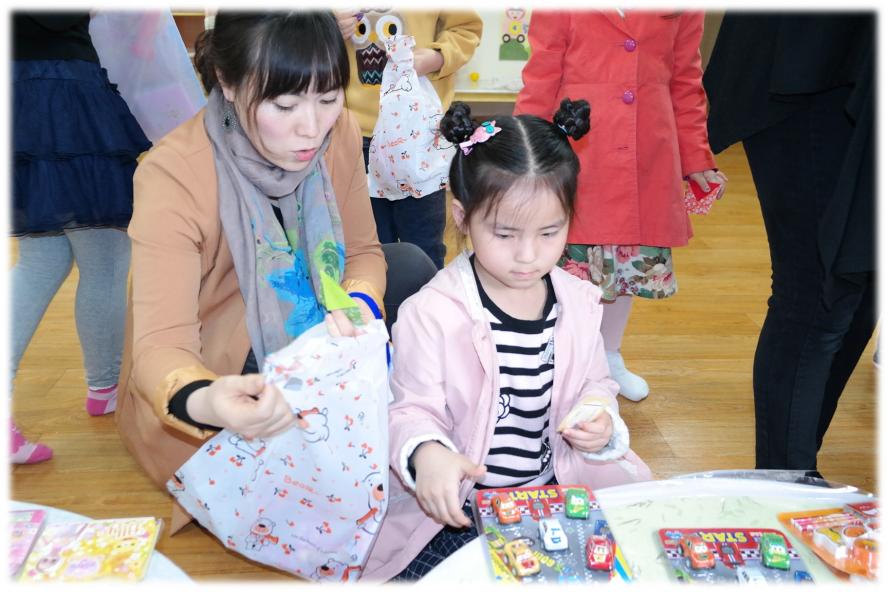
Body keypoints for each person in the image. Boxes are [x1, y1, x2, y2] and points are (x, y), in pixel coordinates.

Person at [114, 11, 430, 532]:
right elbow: (161, 344)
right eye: (284, 105)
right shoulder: (174, 172)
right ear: (228, 81)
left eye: (328, 98)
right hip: (223, 354)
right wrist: (206, 398)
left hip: (313, 313)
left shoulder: (339, 132)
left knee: (412, 266)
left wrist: (357, 304)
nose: (311, 127)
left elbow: (361, 252)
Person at [362, 100, 652, 581]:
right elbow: (408, 410)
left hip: (553, 487)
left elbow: (595, 383)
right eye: (504, 234)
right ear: (462, 217)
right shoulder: (430, 314)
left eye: (550, 232)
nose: (528, 255)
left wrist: (599, 417)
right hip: (458, 508)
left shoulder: (578, 303)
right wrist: (427, 453)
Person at [514, 10, 726, 401]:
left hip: (646, 154)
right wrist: (523, 151)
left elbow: (685, 82)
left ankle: (608, 354)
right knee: (572, 270)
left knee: (624, 266)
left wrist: (696, 156)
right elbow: (541, 76)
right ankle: (566, 359)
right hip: (579, 153)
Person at [703, 13, 875, 475]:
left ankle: (794, 474)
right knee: (819, 293)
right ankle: (786, 486)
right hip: (811, 68)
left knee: (865, 287)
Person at [10, 12, 151, 464]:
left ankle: (105, 388)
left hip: (27, 88)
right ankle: (106, 385)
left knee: (44, 257)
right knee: (104, 257)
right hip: (61, 91)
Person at [335, 9, 483, 269]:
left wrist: (436, 57)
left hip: (418, 134)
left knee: (423, 246)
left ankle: (426, 296)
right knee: (366, 247)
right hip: (351, 132)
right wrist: (323, 24)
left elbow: (466, 29)